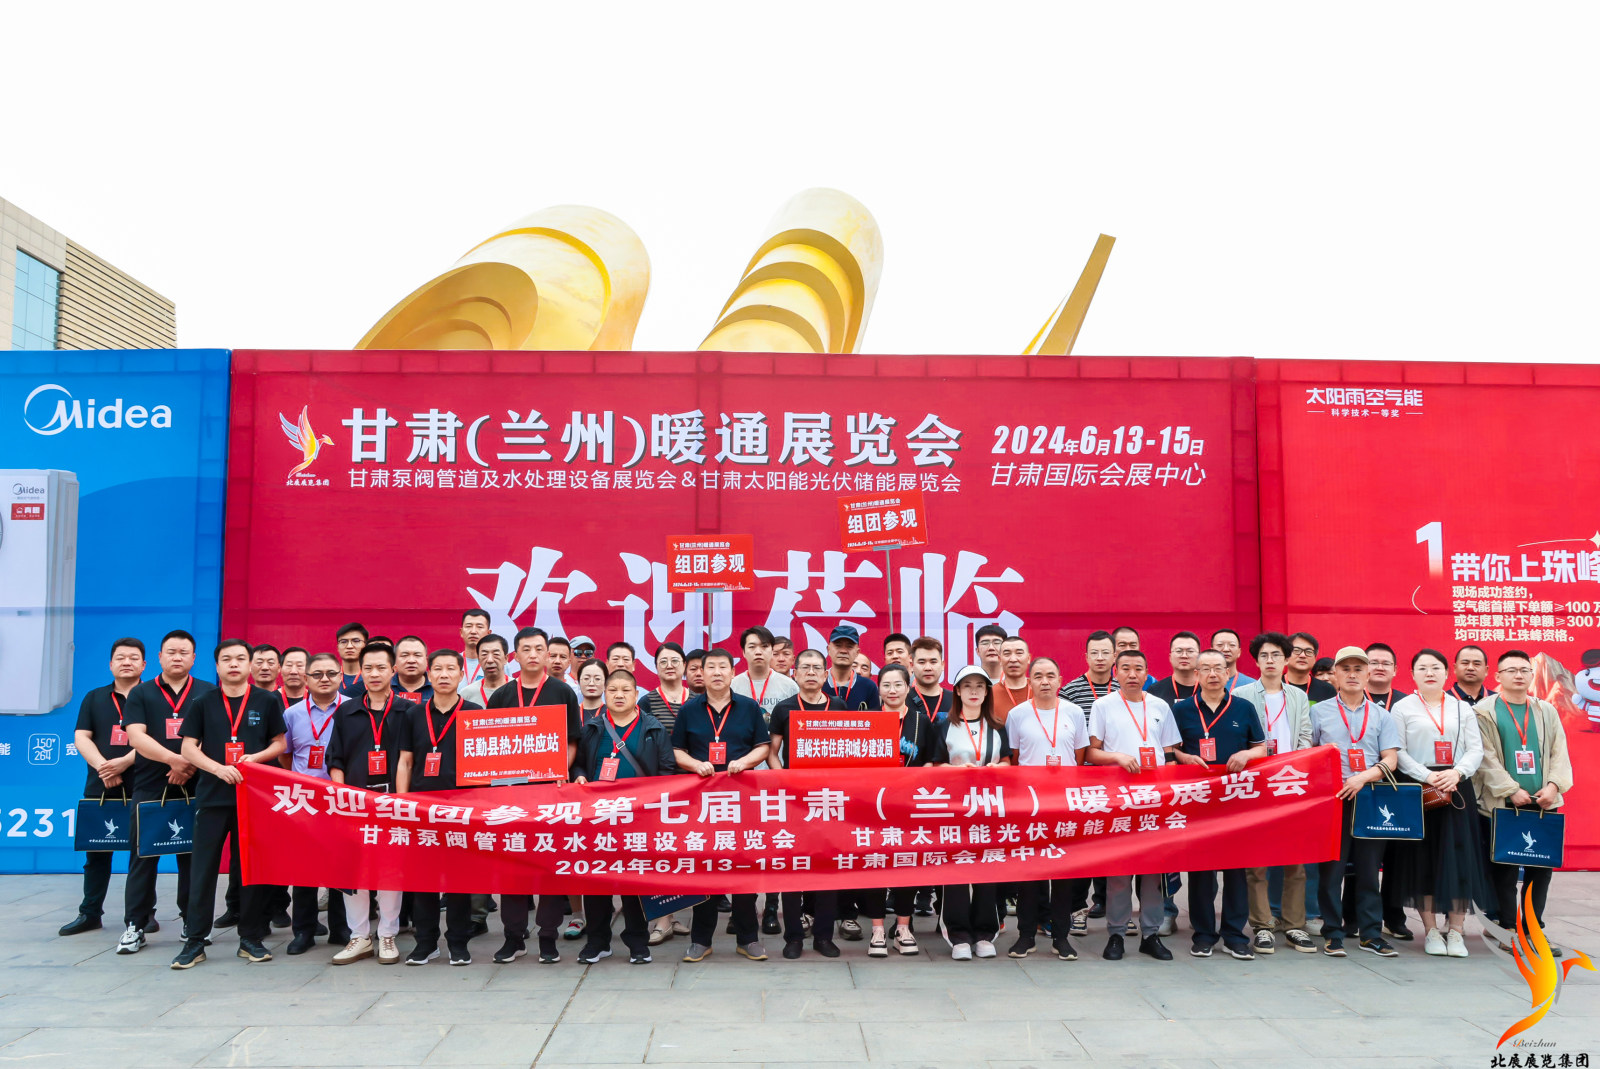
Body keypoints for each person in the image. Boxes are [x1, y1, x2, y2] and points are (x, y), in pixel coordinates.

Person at [171, 639, 287, 969]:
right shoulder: (202, 702)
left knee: (250, 869)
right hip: (212, 796)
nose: (233, 664)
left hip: (254, 797)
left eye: (239, 659)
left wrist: (255, 758)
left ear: (250, 665)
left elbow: (279, 743)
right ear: (217, 666)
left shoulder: (267, 700)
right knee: (203, 869)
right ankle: (195, 941)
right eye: (226, 659)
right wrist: (218, 769)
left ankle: (250, 937)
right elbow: (188, 748)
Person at [486, 627, 584, 964]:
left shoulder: (562, 692)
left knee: (549, 865)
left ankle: (547, 937)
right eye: (526, 649)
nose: (532, 654)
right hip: (511, 796)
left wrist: (558, 770)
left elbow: (572, 742)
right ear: (515, 655)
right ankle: (514, 937)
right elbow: (490, 746)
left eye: (538, 649)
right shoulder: (501, 695)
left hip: (550, 794)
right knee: (512, 867)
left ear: (547, 654)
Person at [1386, 648, 1488, 958]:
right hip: (1421, 788)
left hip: (1457, 787)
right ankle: (1430, 930)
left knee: (1458, 859)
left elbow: (1475, 749)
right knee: (1423, 859)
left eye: (1435, 667)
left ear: (1447, 672)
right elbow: (1398, 751)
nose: (1429, 672)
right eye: (1422, 668)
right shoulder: (1402, 708)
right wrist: (1427, 776)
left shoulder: (1461, 708)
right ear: (1412, 674)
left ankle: (1455, 930)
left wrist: (1457, 772)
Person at [672, 648, 771, 962]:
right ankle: (701, 940)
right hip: (702, 802)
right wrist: (695, 765)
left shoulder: (749, 707)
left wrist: (745, 761)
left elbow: (764, 746)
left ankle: (748, 938)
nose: (716, 672)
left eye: (722, 667)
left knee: (744, 866)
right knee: (705, 869)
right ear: (700, 673)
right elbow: (676, 750)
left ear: (732, 672)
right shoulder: (689, 710)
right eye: (710, 667)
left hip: (742, 800)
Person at [571, 669, 675, 965]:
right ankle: (597, 942)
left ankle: (637, 943)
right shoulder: (593, 727)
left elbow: (667, 769)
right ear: (605, 694)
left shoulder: (652, 728)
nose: (619, 695)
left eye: (625, 690)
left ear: (635, 694)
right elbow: (578, 764)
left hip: (639, 817)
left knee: (634, 883)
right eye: (613, 690)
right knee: (597, 881)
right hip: (599, 817)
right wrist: (579, 776)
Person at [327, 641, 421, 965]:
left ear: (393, 670)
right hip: (354, 803)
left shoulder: (409, 711)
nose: (374, 673)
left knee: (389, 870)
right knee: (354, 871)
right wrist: (341, 797)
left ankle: (388, 934)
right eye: (368, 668)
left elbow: (412, 759)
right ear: (360, 672)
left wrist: (403, 802)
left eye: (381, 667)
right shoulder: (346, 711)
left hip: (392, 803)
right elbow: (335, 758)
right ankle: (359, 936)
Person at [119, 629, 212, 954]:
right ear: (159, 657)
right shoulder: (142, 693)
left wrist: (188, 765)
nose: (177, 657)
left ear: (193, 658)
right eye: (171, 652)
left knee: (193, 860)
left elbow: (212, 735)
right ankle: (135, 924)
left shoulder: (207, 692)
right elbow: (136, 737)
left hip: (195, 786)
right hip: (149, 786)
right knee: (143, 857)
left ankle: (191, 922)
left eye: (184, 652)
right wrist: (175, 760)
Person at [1171, 649, 1268, 960]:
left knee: (1236, 870)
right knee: (1201, 871)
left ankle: (1234, 935)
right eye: (1206, 669)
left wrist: (1246, 755)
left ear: (1228, 673)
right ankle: (1203, 934)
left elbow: (1262, 748)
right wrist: (1184, 757)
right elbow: (1169, 749)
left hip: (1235, 800)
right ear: (1196, 674)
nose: (1212, 674)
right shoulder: (1181, 709)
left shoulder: (1243, 707)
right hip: (1197, 800)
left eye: (1218, 668)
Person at [1308, 646, 1403, 958]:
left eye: (1358, 669)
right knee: (1331, 871)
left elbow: (1390, 759)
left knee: (1368, 870)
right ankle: (1332, 933)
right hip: (1333, 799)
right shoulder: (1319, 712)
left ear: (1367, 674)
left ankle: (1370, 934)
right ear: (1335, 674)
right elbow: (1308, 755)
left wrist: (1362, 777)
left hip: (1370, 798)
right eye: (1345, 669)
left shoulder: (1381, 715)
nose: (1352, 674)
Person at [1087, 650, 1182, 961]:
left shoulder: (1160, 706)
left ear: (1146, 673)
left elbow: (1169, 753)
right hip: (1119, 799)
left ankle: (1150, 935)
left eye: (1138, 668)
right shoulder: (1103, 706)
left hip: (1154, 799)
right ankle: (1116, 934)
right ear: (1116, 672)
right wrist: (1117, 757)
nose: (1131, 674)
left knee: (1153, 871)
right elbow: (1092, 753)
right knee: (1119, 871)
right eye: (1125, 668)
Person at [1474, 650, 1572, 941]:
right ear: (1498, 676)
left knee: (1540, 869)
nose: (1518, 675)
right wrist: (1511, 789)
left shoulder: (1545, 710)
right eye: (1511, 670)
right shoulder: (1484, 711)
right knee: (1503, 869)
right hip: (1504, 803)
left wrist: (1553, 786)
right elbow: (1485, 757)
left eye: (1524, 670)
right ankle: (1506, 927)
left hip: (1543, 802)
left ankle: (1532, 928)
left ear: (1532, 675)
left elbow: (1559, 752)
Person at [399, 649, 483, 965]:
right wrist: (403, 804)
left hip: (462, 809)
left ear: (462, 674)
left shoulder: (474, 713)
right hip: (422, 808)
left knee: (460, 881)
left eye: (451, 669)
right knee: (424, 881)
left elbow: (486, 766)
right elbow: (406, 761)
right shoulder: (413, 714)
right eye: (438, 669)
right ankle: (426, 942)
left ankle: (458, 943)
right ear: (428, 674)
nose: (444, 674)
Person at [1235, 633, 1316, 954]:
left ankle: (1294, 924)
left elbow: (1306, 735)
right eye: (1264, 655)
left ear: (1286, 660)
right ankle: (1262, 925)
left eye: (1277, 655)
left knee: (1295, 860)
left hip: (1289, 782)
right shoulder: (1241, 694)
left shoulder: (1297, 696)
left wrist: (1295, 763)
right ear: (1256, 661)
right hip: (1255, 785)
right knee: (1256, 861)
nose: (1270, 660)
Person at [1005, 657, 1089, 961]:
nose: (1044, 681)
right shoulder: (1017, 714)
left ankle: (1061, 937)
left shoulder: (1074, 712)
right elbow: (1014, 758)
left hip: (1064, 803)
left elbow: (1079, 756)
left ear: (1059, 680)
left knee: (1063, 872)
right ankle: (1026, 935)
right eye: (1038, 676)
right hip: (1030, 805)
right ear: (1030, 681)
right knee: (1029, 873)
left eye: (1050, 676)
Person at [61, 637, 145, 938]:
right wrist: (103, 767)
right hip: (101, 785)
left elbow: (158, 739)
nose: (127, 662)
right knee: (97, 853)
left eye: (133, 657)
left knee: (142, 855)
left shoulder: (151, 696)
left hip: (143, 783)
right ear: (111, 664)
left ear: (144, 664)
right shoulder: (95, 697)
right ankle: (90, 913)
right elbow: (81, 736)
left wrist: (124, 763)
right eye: (121, 657)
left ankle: (142, 915)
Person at [767, 649, 845, 958]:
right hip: (795, 800)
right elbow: (773, 751)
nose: (811, 672)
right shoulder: (784, 708)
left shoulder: (838, 706)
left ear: (826, 674)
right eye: (805, 668)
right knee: (793, 868)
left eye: (817, 668)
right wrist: (784, 779)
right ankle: (794, 938)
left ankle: (824, 936)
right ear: (795, 673)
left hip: (831, 800)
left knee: (827, 869)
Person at [279, 652, 350, 954]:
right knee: (304, 868)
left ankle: (341, 928)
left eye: (331, 673)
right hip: (305, 800)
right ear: (306, 679)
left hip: (341, 798)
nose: (324, 679)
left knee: (341, 866)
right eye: (317, 674)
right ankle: (303, 931)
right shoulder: (292, 714)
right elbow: (286, 755)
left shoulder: (352, 709)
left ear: (341, 677)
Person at [938, 666, 1011, 959]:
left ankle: (984, 933)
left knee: (987, 870)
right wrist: (956, 771)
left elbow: (1007, 761)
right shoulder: (945, 726)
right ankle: (958, 935)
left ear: (986, 692)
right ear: (957, 691)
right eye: (967, 685)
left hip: (989, 808)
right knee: (955, 870)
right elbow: (934, 766)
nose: (973, 691)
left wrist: (997, 768)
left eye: (979, 686)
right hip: (954, 810)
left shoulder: (997, 726)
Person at [1059, 630, 1118, 932]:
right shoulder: (1070, 691)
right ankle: (1077, 909)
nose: (1100, 658)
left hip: (1117, 781)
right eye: (1094, 652)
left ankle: (1112, 908)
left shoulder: (1123, 688)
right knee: (1081, 848)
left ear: (1114, 656)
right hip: (1081, 781)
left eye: (1105, 652)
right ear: (1086, 656)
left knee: (1114, 847)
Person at [732, 625, 799, 719]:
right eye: (752, 647)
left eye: (764, 646)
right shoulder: (732, 686)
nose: (758, 652)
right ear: (744, 652)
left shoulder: (790, 686)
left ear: (771, 651)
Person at [822, 624, 879, 708]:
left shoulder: (868, 686)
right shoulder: (818, 683)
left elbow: (876, 716)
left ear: (857, 652)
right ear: (828, 649)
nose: (843, 651)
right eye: (838, 646)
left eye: (849, 646)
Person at [1147, 632, 1201, 705]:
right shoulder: (1156, 691)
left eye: (1190, 651)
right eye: (1179, 651)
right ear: (1170, 657)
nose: (1184, 656)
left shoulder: (1211, 689)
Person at [460, 633, 510, 708]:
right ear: (478, 659)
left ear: (506, 658)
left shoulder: (518, 689)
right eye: (484, 654)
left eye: (496, 654)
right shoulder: (466, 694)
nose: (490, 660)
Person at [1285, 633, 1337, 702]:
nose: (1303, 655)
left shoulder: (1327, 690)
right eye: (1296, 650)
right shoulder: (1273, 686)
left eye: (1308, 651)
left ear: (1315, 657)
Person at [992, 636, 1033, 721]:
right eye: (1007, 654)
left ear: (1028, 658)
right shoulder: (990, 695)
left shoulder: (1040, 690)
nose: (1013, 659)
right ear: (1000, 659)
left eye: (1019, 653)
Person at [1364, 643, 1406, 709]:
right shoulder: (1352, 699)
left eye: (1386, 664)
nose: (1380, 668)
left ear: (1394, 670)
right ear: (1363, 668)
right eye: (1374, 663)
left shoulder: (1405, 702)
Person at [392, 635, 433, 703]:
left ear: (426, 661)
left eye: (417, 655)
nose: (411, 660)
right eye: (404, 655)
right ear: (394, 661)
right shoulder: (384, 687)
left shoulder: (438, 688)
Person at [460, 609, 493, 685]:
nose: (473, 631)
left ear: (488, 633)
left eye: (479, 627)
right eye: (468, 626)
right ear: (461, 632)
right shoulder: (452, 662)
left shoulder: (499, 663)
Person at [335, 622, 369, 693]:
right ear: (338, 647)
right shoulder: (330, 677)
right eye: (343, 642)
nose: (349, 646)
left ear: (365, 646)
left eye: (356, 641)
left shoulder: (372, 677)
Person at [576, 658, 608, 722]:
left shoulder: (612, 713)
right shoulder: (569, 713)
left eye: (597, 679)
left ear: (605, 683)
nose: (591, 683)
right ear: (579, 682)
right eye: (586, 678)